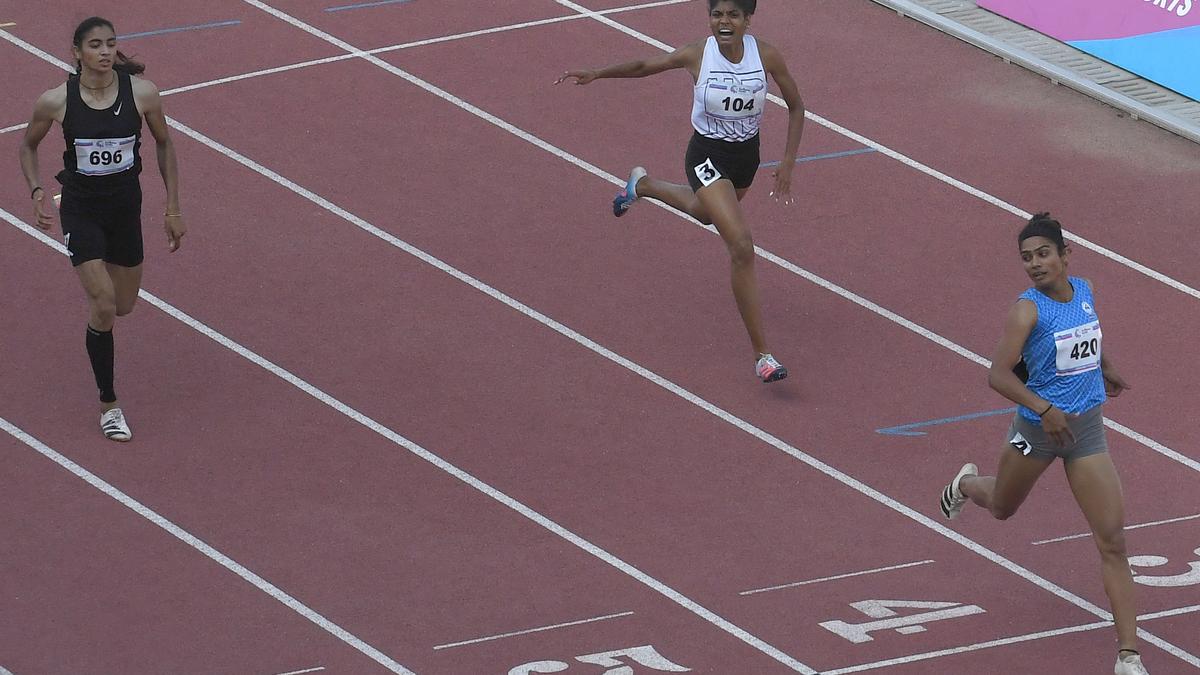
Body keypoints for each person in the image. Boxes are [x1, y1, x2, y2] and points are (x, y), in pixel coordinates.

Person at [939, 213, 1146, 675]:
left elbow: (1086, 340)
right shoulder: (1027, 310)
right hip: (1036, 433)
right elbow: (997, 374)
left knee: (1112, 540)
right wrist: (1044, 409)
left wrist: (1104, 367)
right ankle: (968, 484)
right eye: (1026, 258)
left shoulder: (1086, 291)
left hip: (1087, 432)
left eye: (1043, 254)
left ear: (1065, 255)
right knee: (1001, 507)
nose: (1034, 264)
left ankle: (1128, 655)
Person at [555, 0, 804, 383]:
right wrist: (598, 73)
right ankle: (763, 357)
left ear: (747, 20)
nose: (724, 22)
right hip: (706, 156)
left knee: (704, 212)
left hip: (745, 159)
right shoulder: (696, 54)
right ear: (710, 18)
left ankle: (644, 184)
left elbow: (796, 106)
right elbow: (644, 67)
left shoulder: (766, 56)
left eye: (732, 15)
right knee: (741, 246)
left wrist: (787, 161)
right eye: (717, 14)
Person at [19, 16, 186, 442]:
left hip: (126, 210)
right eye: (95, 45)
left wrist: (172, 206)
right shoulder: (56, 101)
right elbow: (28, 145)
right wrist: (38, 190)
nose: (106, 51)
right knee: (105, 304)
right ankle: (109, 404)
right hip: (81, 210)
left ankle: (102, 330)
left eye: (111, 43)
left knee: (124, 305)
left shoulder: (143, 94)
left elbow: (165, 143)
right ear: (77, 53)